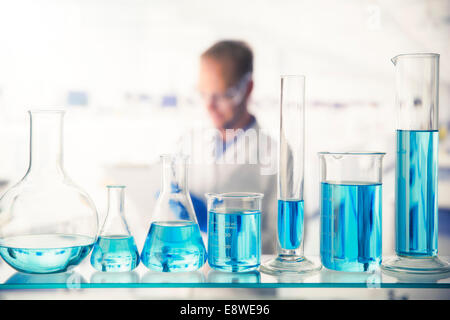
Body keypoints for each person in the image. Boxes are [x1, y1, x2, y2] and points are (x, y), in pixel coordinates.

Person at [177, 40, 278, 254]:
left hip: (245, 285)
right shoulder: (189, 143)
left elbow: (283, 248)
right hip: (193, 281)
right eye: (203, 93)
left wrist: (219, 230)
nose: (209, 105)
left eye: (222, 95)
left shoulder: (277, 156)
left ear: (247, 88)